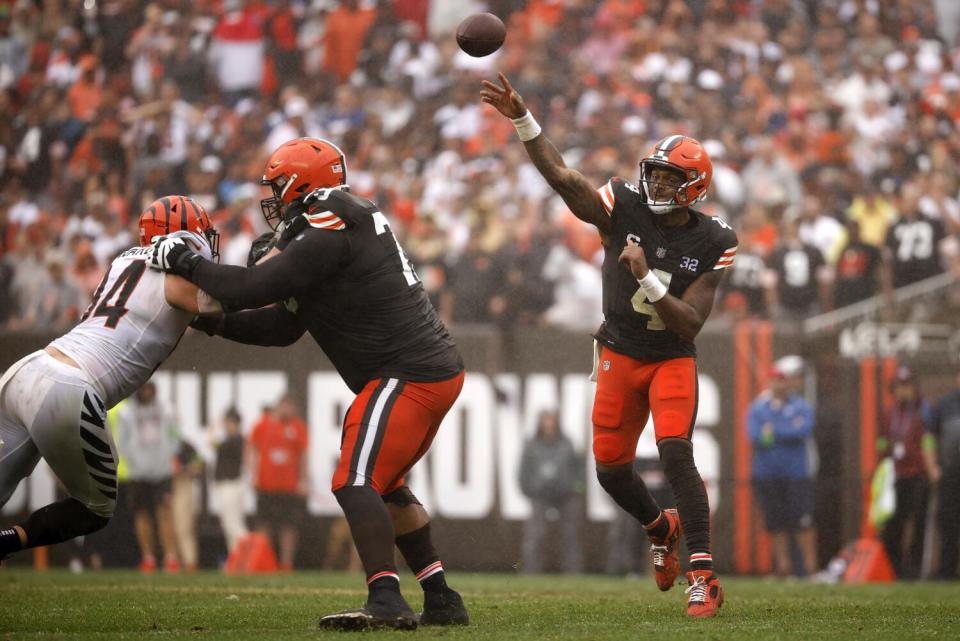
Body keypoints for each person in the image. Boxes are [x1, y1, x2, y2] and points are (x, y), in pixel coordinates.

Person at [149, 137, 467, 630]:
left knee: (354, 480)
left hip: (408, 373)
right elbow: (279, 328)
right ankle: (442, 599)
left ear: (302, 182)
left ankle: (386, 599)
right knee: (385, 488)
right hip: (423, 372)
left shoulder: (330, 217)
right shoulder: (336, 226)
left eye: (278, 185)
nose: (273, 199)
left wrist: (187, 263)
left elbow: (250, 288)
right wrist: (206, 322)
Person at [481, 74, 737, 617]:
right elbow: (564, 178)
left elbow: (689, 324)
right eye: (657, 175)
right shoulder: (624, 204)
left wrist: (647, 279)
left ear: (694, 186)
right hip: (619, 350)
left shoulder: (715, 238)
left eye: (671, 180)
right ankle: (658, 526)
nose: (658, 186)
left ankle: (703, 574)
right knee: (609, 467)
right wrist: (523, 120)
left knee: (675, 451)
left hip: (669, 356)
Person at [0, 196, 221, 564]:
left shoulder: (124, 260)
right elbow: (241, 293)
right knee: (96, 507)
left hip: (28, 369)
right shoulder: (177, 279)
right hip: (68, 386)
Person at [746, 358, 818, 577]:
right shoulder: (758, 408)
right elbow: (756, 437)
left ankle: (809, 568)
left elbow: (801, 431)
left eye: (783, 380)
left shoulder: (801, 406)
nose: (780, 385)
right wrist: (784, 429)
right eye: (775, 380)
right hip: (767, 474)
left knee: (803, 521)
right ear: (769, 382)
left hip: (796, 474)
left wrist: (773, 430)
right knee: (775, 523)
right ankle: (783, 568)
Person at [878, 366, 937, 579]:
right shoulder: (888, 413)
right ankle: (897, 570)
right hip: (895, 475)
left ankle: (914, 571)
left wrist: (929, 465)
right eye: (899, 386)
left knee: (918, 523)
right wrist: (883, 454)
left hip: (916, 474)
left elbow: (928, 439)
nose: (903, 391)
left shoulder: (923, 412)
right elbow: (882, 440)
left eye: (907, 386)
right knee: (892, 526)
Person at [116, 381, 181, 573]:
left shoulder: (166, 409)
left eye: (150, 389)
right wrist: (136, 461)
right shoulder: (126, 412)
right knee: (142, 514)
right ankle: (149, 557)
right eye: (143, 389)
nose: (147, 393)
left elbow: (174, 434)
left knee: (165, 514)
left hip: (162, 471)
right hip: (139, 472)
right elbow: (123, 441)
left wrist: (168, 456)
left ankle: (170, 557)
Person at [248, 397, 308, 573]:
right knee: (264, 524)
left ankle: (286, 564)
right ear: (279, 406)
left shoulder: (298, 427)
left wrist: (303, 480)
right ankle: (263, 561)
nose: (288, 410)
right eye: (285, 405)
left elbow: (303, 455)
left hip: (288, 486)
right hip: (266, 484)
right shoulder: (263, 425)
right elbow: (251, 449)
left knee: (288, 526)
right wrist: (252, 474)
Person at [518, 410, 583, 574]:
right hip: (539, 495)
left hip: (565, 495)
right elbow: (523, 472)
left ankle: (573, 572)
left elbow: (578, 470)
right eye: (545, 420)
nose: (548, 424)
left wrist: (575, 489)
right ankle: (530, 571)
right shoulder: (531, 444)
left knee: (570, 536)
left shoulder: (567, 443)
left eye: (551, 420)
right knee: (535, 535)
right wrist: (531, 490)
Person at [930, 370, 959, 580]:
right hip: (950, 475)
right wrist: (932, 467)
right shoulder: (945, 405)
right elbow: (929, 437)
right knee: (948, 523)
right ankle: (947, 572)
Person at [212, 406, 249, 554]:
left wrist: (212, 431)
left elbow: (213, 443)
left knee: (233, 523)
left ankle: (248, 554)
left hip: (231, 485)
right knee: (229, 523)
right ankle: (236, 557)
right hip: (227, 485)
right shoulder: (231, 440)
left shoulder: (237, 440)